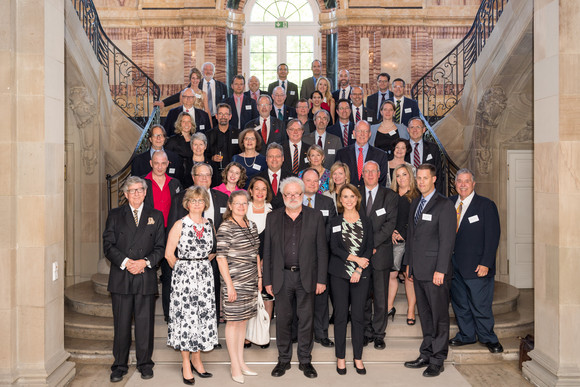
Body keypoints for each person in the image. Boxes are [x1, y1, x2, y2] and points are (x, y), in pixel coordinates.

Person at [263, 177, 328, 379]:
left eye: (296, 193)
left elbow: (322, 250)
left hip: (306, 277)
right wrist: (267, 280)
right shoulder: (272, 217)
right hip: (281, 276)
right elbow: (267, 251)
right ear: (282, 196)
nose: (292, 197)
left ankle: (305, 360)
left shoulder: (315, 216)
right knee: (283, 320)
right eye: (288, 194)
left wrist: (321, 279)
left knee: (306, 320)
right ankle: (283, 359)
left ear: (303, 195)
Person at [103, 176, 165, 383]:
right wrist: (127, 262)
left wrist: (145, 262)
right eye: (132, 190)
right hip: (122, 275)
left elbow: (160, 247)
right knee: (121, 325)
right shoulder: (114, 215)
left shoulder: (155, 215)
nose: (136, 193)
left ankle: (145, 363)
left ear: (146, 192)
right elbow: (108, 245)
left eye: (140, 190)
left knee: (144, 324)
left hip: (144, 275)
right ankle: (119, 366)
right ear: (126, 194)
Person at [166, 163, 228, 346]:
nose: (203, 178)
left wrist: (208, 258)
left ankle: (210, 338)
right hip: (185, 274)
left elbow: (218, 238)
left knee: (209, 306)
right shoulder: (179, 202)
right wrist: (183, 269)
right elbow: (169, 252)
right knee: (188, 313)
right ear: (193, 177)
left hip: (209, 267)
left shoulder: (221, 200)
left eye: (207, 175)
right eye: (199, 175)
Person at [403, 164, 456, 378]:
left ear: (434, 179)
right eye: (419, 178)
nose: (422, 181)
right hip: (418, 270)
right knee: (424, 315)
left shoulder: (444, 205)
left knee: (439, 317)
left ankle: (437, 359)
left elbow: (447, 241)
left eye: (426, 178)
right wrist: (409, 264)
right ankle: (426, 353)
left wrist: (441, 269)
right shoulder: (416, 202)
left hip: (436, 272)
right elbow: (412, 237)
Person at [165, 186, 218, 385]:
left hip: (204, 278)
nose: (197, 204)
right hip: (184, 279)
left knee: (201, 317)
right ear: (187, 203)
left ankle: (197, 359)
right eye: (193, 201)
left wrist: (201, 263)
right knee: (186, 319)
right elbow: (169, 254)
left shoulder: (209, 224)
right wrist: (184, 271)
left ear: (206, 203)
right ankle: (186, 362)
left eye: (200, 200)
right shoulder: (180, 224)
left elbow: (213, 250)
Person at [449, 169, 503, 353]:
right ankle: (466, 335)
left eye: (467, 181)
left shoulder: (485, 205)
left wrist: (486, 263)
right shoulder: (449, 204)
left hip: (477, 266)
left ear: (473, 184)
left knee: (480, 305)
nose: (463, 184)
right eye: (459, 181)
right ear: (455, 184)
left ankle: (488, 337)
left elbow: (493, 236)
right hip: (453, 266)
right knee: (461, 304)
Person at [216, 191, 261, 383]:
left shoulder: (251, 225)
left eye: (244, 203)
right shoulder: (226, 226)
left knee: (243, 322)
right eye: (238, 203)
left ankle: (241, 361)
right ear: (231, 205)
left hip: (250, 281)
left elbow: (256, 253)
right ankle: (234, 365)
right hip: (233, 282)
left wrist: (259, 277)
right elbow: (221, 257)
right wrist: (229, 286)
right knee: (233, 322)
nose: (241, 206)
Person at [328, 184, 373, 375]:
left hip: (360, 275)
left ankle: (358, 357)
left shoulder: (367, 221)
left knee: (358, 317)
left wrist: (358, 269)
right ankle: (340, 358)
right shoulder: (335, 221)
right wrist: (355, 259)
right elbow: (334, 248)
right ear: (340, 200)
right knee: (340, 317)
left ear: (357, 199)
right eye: (344, 196)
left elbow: (369, 248)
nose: (348, 200)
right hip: (339, 274)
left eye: (351, 196)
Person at [359, 161, 398, 349]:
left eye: (373, 171)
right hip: (361, 257)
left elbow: (390, 224)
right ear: (362, 174)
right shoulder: (355, 194)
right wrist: (364, 248)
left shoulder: (389, 195)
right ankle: (366, 332)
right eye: (366, 171)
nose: (370, 175)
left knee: (381, 298)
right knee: (363, 297)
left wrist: (371, 244)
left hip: (380, 254)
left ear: (379, 173)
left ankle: (379, 333)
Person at [301, 168, 337, 347]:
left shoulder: (327, 202)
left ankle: (321, 334)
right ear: (302, 181)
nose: (313, 184)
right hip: (298, 259)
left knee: (321, 297)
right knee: (300, 298)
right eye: (309, 181)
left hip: (321, 257)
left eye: (316, 181)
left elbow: (332, 228)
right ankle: (298, 332)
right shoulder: (294, 200)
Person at [246, 176, 274, 346]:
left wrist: (263, 261)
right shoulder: (243, 209)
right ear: (250, 191)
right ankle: (248, 335)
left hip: (268, 261)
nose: (260, 192)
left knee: (267, 298)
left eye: (264, 189)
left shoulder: (273, 211)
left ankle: (263, 333)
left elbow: (274, 239)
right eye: (257, 188)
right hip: (246, 263)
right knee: (249, 298)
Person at [390, 163, 419, 325]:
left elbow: (417, 222)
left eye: (404, 174)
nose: (401, 178)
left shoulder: (416, 196)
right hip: (392, 240)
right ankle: (389, 306)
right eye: (398, 175)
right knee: (392, 274)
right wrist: (392, 232)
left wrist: (403, 233)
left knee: (409, 276)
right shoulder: (391, 195)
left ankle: (411, 310)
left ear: (410, 176)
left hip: (410, 242)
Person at [335, 120, 389, 189]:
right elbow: (337, 176)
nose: (362, 134)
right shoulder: (341, 154)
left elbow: (382, 180)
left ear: (369, 134)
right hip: (348, 195)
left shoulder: (381, 155)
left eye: (365, 131)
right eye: (359, 131)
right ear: (354, 133)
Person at [144, 151, 183, 228]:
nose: (160, 167)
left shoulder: (175, 183)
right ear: (151, 163)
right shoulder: (142, 183)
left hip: (171, 228)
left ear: (167, 164)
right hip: (148, 229)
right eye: (156, 163)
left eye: (163, 163)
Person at [206, 103, 241, 187]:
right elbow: (204, 154)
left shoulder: (238, 134)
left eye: (226, 114)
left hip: (234, 176)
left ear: (230, 116)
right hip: (215, 176)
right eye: (221, 114)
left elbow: (242, 152)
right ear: (216, 116)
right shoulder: (208, 134)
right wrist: (212, 158)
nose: (223, 117)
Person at [407, 117, 444, 193]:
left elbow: (439, 173)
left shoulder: (433, 148)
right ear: (408, 130)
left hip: (428, 191)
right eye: (412, 127)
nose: (415, 130)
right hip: (407, 192)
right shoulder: (402, 148)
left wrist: (437, 195)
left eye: (418, 127)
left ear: (424, 130)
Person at [256, 143, 293, 209]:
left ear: (283, 158)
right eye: (271, 156)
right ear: (266, 159)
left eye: (277, 156)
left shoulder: (292, 178)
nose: (274, 159)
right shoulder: (257, 179)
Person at [166, 112, 195, 185]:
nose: (186, 124)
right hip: (176, 178)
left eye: (189, 121)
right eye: (183, 121)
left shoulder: (195, 140)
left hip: (193, 178)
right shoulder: (172, 140)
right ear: (179, 123)